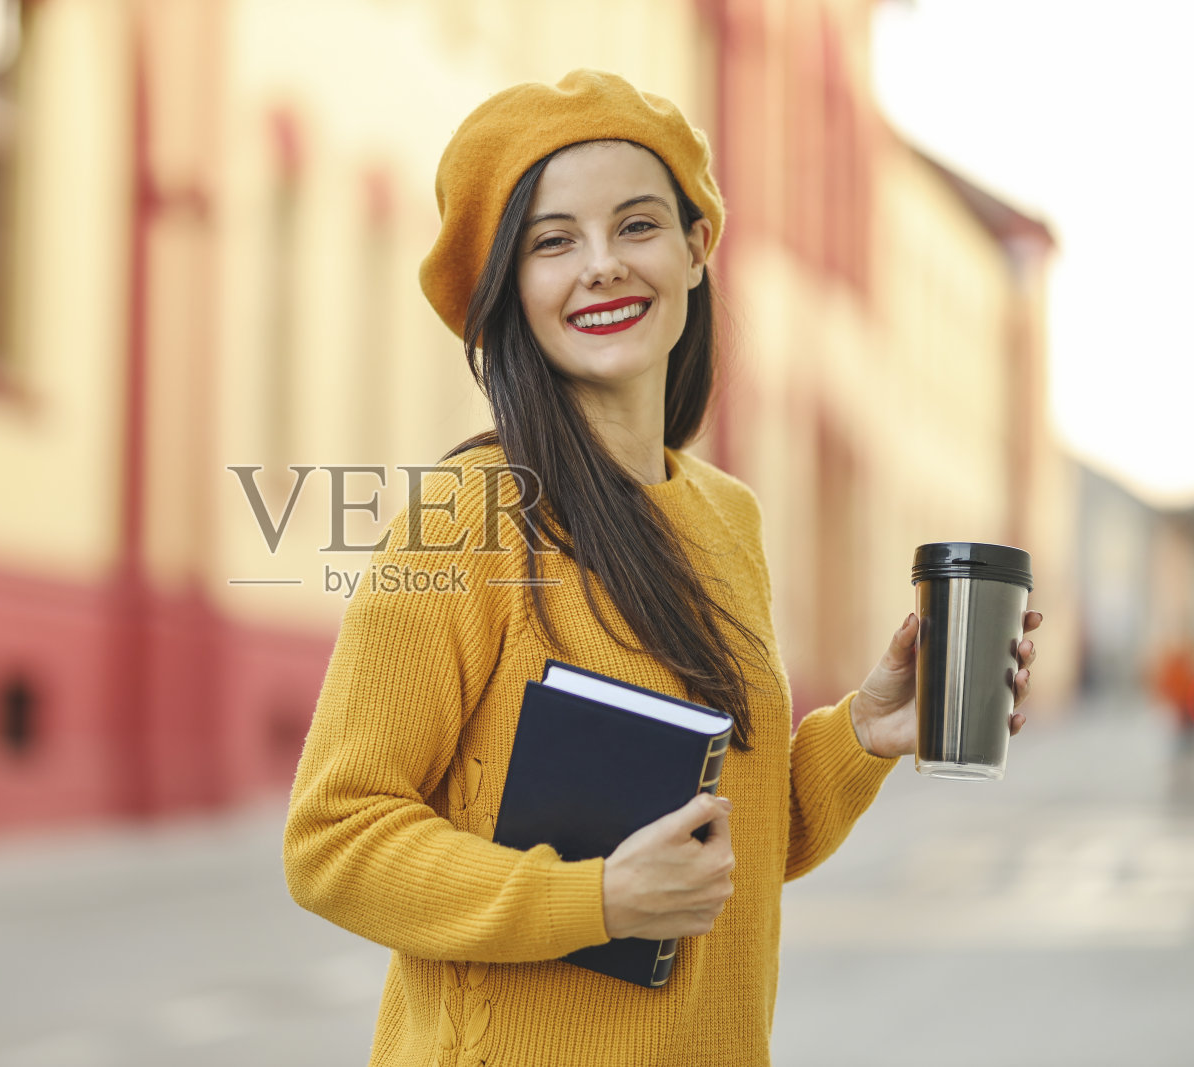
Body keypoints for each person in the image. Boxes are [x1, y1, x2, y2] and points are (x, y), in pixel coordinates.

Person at [282, 70, 1042, 1067]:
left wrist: (865, 728)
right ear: (510, 286)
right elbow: (333, 838)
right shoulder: (468, 517)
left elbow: (734, 846)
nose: (600, 266)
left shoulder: (725, 515)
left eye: (636, 225)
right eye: (552, 241)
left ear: (695, 249)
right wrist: (592, 899)